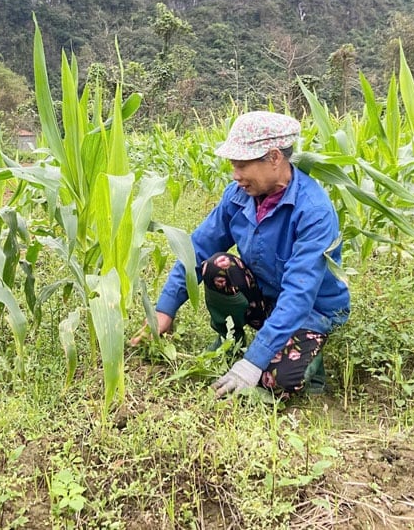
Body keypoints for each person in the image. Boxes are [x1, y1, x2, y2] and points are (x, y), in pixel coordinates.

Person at [133, 111, 350, 398]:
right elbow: (197, 249)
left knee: (275, 382)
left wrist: (254, 362)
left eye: (242, 165)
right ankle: (231, 343)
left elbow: (300, 293)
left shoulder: (313, 211)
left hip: (311, 311)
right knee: (218, 266)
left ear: (274, 158)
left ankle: (307, 362)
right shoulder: (237, 195)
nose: (236, 175)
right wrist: (164, 310)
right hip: (266, 296)